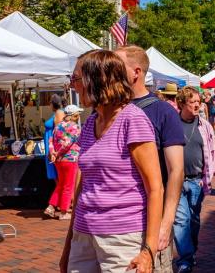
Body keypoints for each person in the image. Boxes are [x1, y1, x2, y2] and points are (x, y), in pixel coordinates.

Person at [60, 50, 164, 273]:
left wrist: (148, 250)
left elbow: (155, 188)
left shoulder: (133, 120)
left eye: (76, 79)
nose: (72, 86)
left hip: (122, 239)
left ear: (98, 80)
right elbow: (83, 186)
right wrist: (68, 245)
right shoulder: (90, 123)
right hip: (83, 235)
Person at [116, 46, 185, 273]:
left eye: (117, 66)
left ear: (136, 72)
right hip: (119, 222)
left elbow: (176, 170)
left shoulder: (163, 112)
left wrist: (166, 223)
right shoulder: (110, 110)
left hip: (151, 220)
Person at [173, 86, 215, 273]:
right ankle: (185, 260)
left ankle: (191, 251)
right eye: (193, 102)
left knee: (194, 220)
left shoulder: (205, 126)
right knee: (181, 220)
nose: (197, 105)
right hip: (176, 182)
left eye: (199, 102)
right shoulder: (172, 124)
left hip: (197, 180)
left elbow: (212, 151)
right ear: (182, 103)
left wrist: (208, 176)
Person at [45, 104, 82, 220]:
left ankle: (51, 207)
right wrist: (59, 152)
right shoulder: (75, 127)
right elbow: (68, 143)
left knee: (61, 184)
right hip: (70, 159)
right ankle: (64, 212)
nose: (79, 116)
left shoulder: (58, 126)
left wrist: (54, 153)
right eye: (77, 114)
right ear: (73, 115)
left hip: (59, 160)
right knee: (68, 186)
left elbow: (51, 140)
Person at [43, 95, 65, 183]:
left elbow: (58, 134)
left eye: (50, 103)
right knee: (55, 175)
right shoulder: (57, 113)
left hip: (53, 147)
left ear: (53, 103)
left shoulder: (59, 113)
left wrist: (53, 150)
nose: (49, 105)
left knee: (57, 175)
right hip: (50, 145)